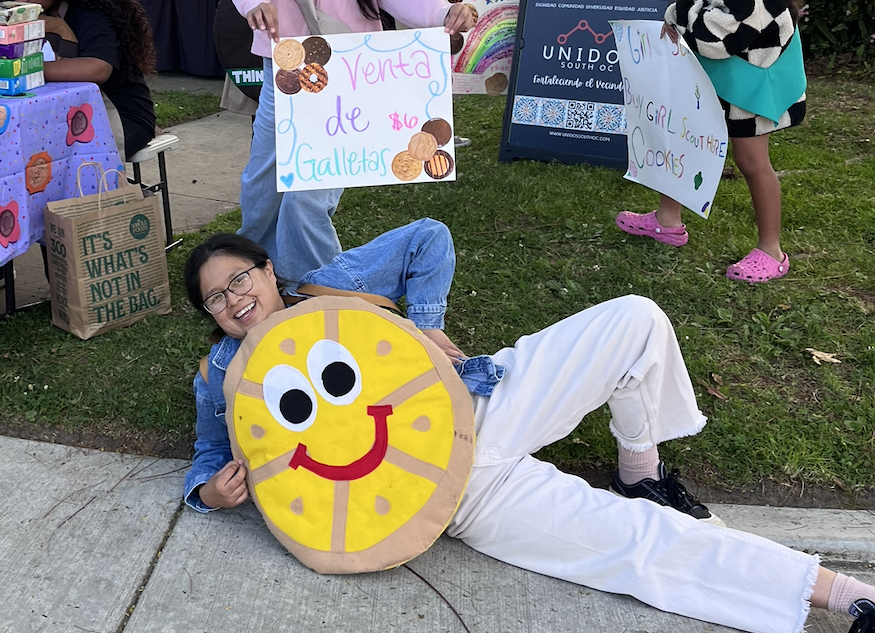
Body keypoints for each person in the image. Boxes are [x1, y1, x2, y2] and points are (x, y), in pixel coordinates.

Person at [181, 219, 875, 633]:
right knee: (635, 548)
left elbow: (428, 238)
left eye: (239, 278)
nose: (234, 298)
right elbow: (207, 458)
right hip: (456, 497)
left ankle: (642, 471)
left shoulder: (323, 287)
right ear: (210, 315)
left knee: (636, 317)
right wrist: (212, 492)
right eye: (216, 297)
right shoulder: (220, 381)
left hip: (482, 402)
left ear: (269, 271)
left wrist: (426, 331)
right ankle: (848, 596)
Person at [234, 0, 478, 281]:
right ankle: (253, 263)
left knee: (309, 191)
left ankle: (321, 283)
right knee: (263, 178)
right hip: (285, 59)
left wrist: (440, 12)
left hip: (350, 61)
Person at [615, 0, 806, 283]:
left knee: (751, 161)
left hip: (753, 88)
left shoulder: (763, 4)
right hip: (719, 76)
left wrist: (682, 19)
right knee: (683, 138)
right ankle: (668, 219)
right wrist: (684, 18)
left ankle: (771, 250)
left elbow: (714, 42)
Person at [39, 0, 157, 161]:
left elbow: (98, 68)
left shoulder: (92, 11)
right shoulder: (14, 15)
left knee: (51, 156)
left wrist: (24, 69)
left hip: (122, 116)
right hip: (63, 113)